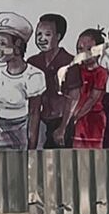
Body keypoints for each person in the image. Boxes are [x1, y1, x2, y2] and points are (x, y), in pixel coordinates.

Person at [0, 12, 45, 150]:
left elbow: (34, 113)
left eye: (2, 44)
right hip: (2, 131)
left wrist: (31, 148)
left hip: (24, 132)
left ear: (18, 45)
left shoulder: (34, 75)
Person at [28, 13, 75, 149]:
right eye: (39, 34)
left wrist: (63, 128)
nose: (42, 39)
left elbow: (73, 97)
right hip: (41, 121)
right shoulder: (33, 62)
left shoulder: (69, 61)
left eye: (47, 35)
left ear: (58, 37)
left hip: (62, 122)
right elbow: (34, 106)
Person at [63, 28, 109, 149]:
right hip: (77, 119)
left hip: (93, 118)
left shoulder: (101, 73)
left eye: (90, 49)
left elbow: (92, 99)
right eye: (80, 49)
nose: (85, 53)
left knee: (93, 152)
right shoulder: (76, 70)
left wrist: (75, 117)